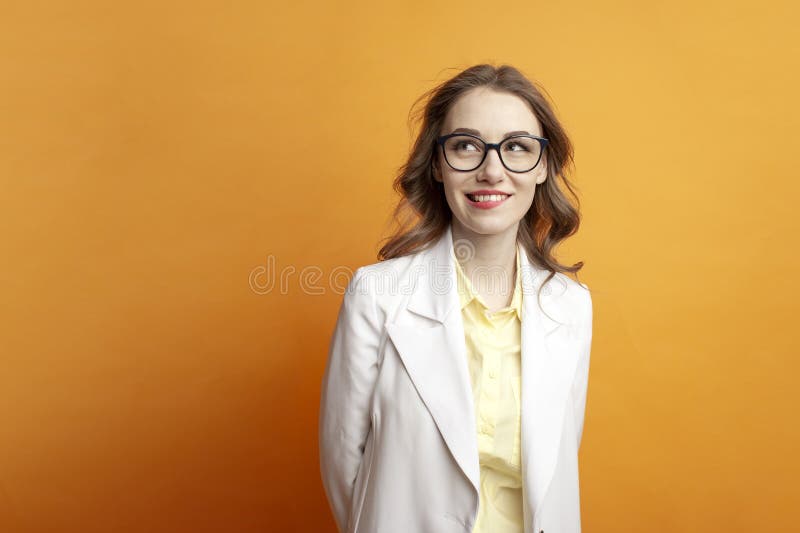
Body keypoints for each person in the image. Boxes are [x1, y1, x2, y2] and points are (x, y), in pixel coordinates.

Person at [318, 63, 593, 533]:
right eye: (465, 145)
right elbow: (344, 464)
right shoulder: (377, 296)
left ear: (543, 165)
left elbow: (557, 464)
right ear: (438, 165)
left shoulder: (571, 304)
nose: (492, 171)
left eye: (516, 148)